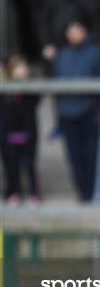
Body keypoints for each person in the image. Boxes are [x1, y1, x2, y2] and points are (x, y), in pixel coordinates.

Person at [53, 16, 100, 203]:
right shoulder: (63, 55)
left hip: (89, 113)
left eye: (77, 30)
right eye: (71, 31)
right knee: (74, 158)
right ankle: (83, 194)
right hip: (67, 114)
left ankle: (94, 195)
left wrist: (97, 108)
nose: (74, 34)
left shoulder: (96, 53)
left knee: (91, 157)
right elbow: (56, 86)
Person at [0, 56, 40, 206]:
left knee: (29, 165)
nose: (21, 71)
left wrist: (24, 86)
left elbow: (36, 100)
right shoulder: (5, 90)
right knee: (11, 166)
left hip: (27, 132)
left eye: (24, 68)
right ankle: (12, 193)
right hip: (8, 133)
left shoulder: (30, 88)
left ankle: (33, 193)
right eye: (18, 69)